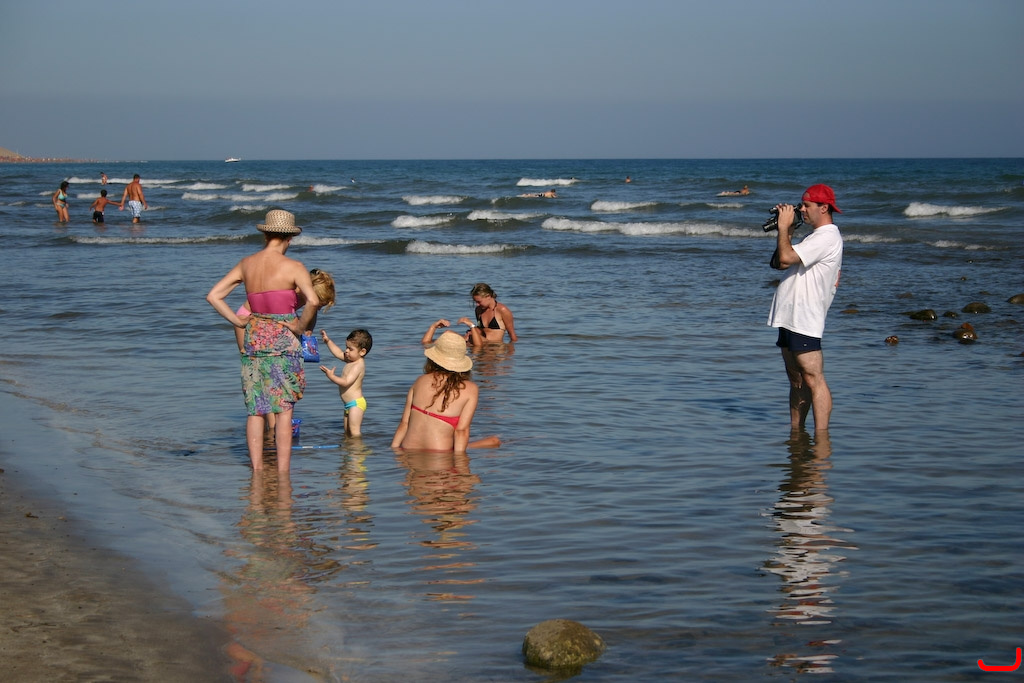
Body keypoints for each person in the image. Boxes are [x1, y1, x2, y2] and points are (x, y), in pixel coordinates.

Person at [206, 209, 320, 472]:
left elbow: (213, 296)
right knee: (284, 409)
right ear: (290, 238)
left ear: (266, 234)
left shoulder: (247, 264)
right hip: (283, 342)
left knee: (256, 408)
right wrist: (299, 326)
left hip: (255, 339)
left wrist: (238, 321)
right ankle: (283, 473)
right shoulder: (294, 267)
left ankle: (257, 470)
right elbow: (313, 301)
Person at [767, 184, 844, 432]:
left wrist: (783, 228)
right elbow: (779, 263)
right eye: (801, 205)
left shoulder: (827, 236)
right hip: (789, 315)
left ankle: (821, 436)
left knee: (813, 378)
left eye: (806, 206)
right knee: (797, 379)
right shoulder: (813, 237)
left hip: (805, 316)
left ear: (824, 208)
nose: (801, 209)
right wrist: (787, 230)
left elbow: (786, 257)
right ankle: (796, 432)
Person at [232, 268, 336, 438]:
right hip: (246, 321)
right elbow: (247, 319)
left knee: (272, 379)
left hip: (264, 328)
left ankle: (272, 429)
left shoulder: (307, 298)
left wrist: (308, 330)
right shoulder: (290, 294)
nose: (317, 308)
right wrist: (244, 348)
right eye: (318, 304)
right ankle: (272, 428)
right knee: (263, 378)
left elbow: (310, 315)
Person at [392, 331, 500, 452]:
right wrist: (460, 461)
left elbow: (404, 423)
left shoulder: (420, 381)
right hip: (440, 455)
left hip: (408, 451)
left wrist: (394, 450)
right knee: (495, 441)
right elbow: (461, 432)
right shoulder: (470, 389)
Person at [319, 329, 372, 437]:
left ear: (362, 352)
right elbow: (338, 353)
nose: (346, 351)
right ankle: (348, 447)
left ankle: (359, 447)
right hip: (348, 405)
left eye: (350, 349)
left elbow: (346, 382)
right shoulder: (350, 360)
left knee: (354, 432)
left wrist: (332, 377)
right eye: (346, 347)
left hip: (356, 404)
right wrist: (328, 341)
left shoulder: (358, 365)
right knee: (347, 433)